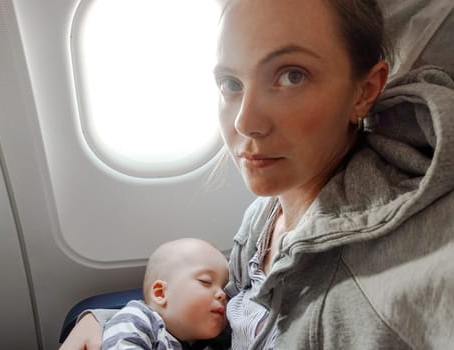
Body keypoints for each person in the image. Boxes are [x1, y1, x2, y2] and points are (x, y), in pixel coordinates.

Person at [61, 0, 454, 348]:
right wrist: (111, 322)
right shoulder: (267, 212)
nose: (245, 121)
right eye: (230, 83)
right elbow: (239, 305)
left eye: (291, 76)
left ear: (365, 91)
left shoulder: (380, 294)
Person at [61, 238, 229, 350]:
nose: (222, 294)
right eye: (206, 282)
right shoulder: (138, 319)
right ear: (161, 293)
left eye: (225, 288)